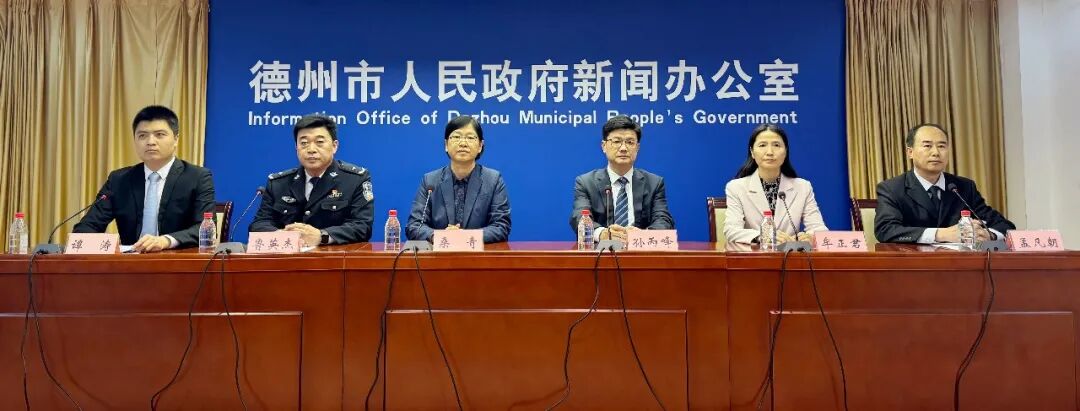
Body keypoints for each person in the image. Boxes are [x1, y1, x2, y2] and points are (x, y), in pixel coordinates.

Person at [73, 105, 215, 252]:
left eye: (159, 135)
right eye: (142, 135)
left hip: (177, 260)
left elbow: (205, 228)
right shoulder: (119, 180)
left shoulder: (197, 177)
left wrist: (165, 241)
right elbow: (87, 227)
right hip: (130, 262)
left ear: (175, 139)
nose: (150, 142)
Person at [874, 123, 1014, 243]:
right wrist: (940, 234)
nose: (936, 152)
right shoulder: (892, 189)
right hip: (914, 263)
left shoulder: (963, 187)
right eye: (927, 146)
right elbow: (886, 230)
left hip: (960, 263)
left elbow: (1004, 225)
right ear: (910, 152)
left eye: (941, 146)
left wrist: (990, 235)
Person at [249, 114, 374, 245]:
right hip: (288, 254)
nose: (311, 149)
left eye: (319, 142)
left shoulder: (355, 179)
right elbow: (259, 224)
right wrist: (281, 236)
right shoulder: (278, 183)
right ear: (296, 147)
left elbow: (362, 226)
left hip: (334, 256)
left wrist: (322, 236)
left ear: (334, 146)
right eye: (304, 143)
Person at [406, 115, 511, 243]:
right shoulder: (430, 181)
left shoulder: (493, 180)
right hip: (440, 253)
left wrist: (464, 236)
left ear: (480, 146)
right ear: (446, 144)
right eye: (456, 137)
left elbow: (501, 227)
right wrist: (439, 236)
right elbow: (414, 226)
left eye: (470, 137)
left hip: (479, 254)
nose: (463, 143)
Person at [570, 115, 674, 242]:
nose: (623, 148)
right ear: (604, 146)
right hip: (601, 251)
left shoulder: (654, 183)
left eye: (630, 142)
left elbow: (663, 220)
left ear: (637, 147)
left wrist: (643, 235)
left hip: (640, 250)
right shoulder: (586, 183)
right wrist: (602, 234)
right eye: (616, 141)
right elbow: (579, 218)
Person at [724, 124, 827, 244]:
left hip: (790, 254)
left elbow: (819, 229)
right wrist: (764, 236)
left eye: (776, 145)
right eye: (762, 145)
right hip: (755, 253)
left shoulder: (803, 187)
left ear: (785, 151)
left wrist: (811, 237)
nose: (770, 152)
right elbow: (731, 230)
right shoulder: (736, 187)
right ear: (752, 152)